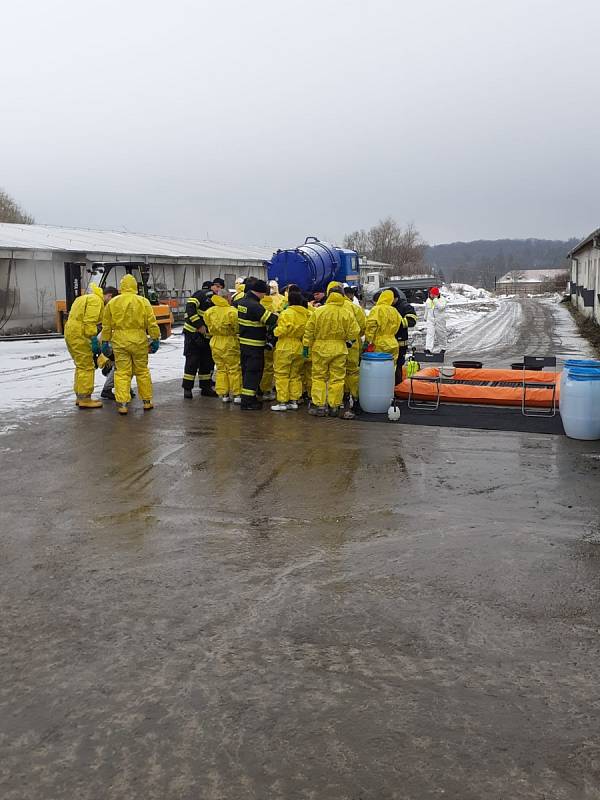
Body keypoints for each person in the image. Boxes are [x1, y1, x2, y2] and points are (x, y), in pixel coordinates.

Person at [101, 274, 160, 414]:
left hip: (120, 341)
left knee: (122, 373)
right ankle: (146, 401)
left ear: (121, 286)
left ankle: (122, 404)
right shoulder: (143, 301)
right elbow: (151, 322)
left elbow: (107, 325)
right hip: (139, 340)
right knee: (142, 371)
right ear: (135, 286)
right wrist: (155, 338)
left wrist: (105, 341)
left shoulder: (113, 302)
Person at [303, 285, 360, 418]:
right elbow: (355, 331)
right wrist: (348, 342)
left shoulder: (319, 311)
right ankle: (334, 406)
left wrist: (306, 347)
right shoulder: (347, 313)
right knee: (337, 378)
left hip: (320, 348)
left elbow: (309, 331)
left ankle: (319, 405)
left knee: (318, 377)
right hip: (339, 348)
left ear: (329, 295)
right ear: (342, 295)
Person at [236, 278, 278, 410]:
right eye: (264, 294)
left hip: (244, 343)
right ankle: (248, 402)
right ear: (259, 292)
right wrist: (277, 315)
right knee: (253, 372)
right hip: (255, 345)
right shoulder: (254, 305)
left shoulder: (241, 302)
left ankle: (248, 397)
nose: (264, 296)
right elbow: (269, 320)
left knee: (246, 371)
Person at [64, 282, 105, 408]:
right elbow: (89, 321)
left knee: (80, 365)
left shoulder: (83, 298)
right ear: (107, 296)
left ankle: (79, 395)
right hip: (80, 333)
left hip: (70, 331)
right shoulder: (96, 301)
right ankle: (85, 398)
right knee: (87, 365)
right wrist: (93, 336)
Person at [328, 281, 366, 415]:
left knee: (336, 373)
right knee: (353, 372)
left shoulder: (324, 309)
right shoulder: (354, 308)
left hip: (333, 345)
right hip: (352, 345)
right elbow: (362, 326)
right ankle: (355, 399)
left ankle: (339, 399)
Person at [271, 285, 310, 412]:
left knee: (282, 374)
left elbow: (282, 330)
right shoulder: (306, 314)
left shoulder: (286, 313)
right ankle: (294, 401)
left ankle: (282, 402)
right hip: (299, 346)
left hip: (285, 346)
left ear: (289, 301)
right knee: (295, 375)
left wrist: (275, 331)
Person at [203, 290, 242, 404]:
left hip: (215, 341)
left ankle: (224, 394)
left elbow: (207, 324)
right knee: (234, 368)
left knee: (221, 368)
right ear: (226, 297)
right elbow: (237, 327)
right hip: (229, 341)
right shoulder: (232, 311)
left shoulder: (209, 312)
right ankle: (237, 394)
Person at [182, 287, 218, 399]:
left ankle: (205, 387)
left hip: (206, 336)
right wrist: (199, 325)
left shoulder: (218, 302)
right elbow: (190, 308)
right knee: (192, 361)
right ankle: (187, 389)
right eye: (217, 287)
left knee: (207, 362)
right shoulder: (201, 295)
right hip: (192, 334)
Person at [365, 289, 402, 364]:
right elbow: (399, 324)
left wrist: (368, 340)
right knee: (390, 368)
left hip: (380, 343)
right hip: (393, 342)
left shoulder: (376, 309)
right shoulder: (394, 310)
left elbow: (371, 325)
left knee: (378, 367)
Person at [259, 294, 277, 399]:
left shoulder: (257, 307)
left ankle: (257, 388)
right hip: (270, 342)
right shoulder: (273, 309)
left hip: (257, 341)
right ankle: (266, 390)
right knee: (269, 367)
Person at [424, 286, 447, 354]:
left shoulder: (442, 300)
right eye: (431, 294)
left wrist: (435, 300)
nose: (431, 295)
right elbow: (427, 309)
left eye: (433, 294)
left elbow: (441, 308)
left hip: (440, 320)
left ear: (436, 294)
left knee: (441, 334)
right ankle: (428, 349)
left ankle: (443, 347)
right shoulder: (428, 300)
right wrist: (425, 317)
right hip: (430, 320)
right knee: (430, 334)